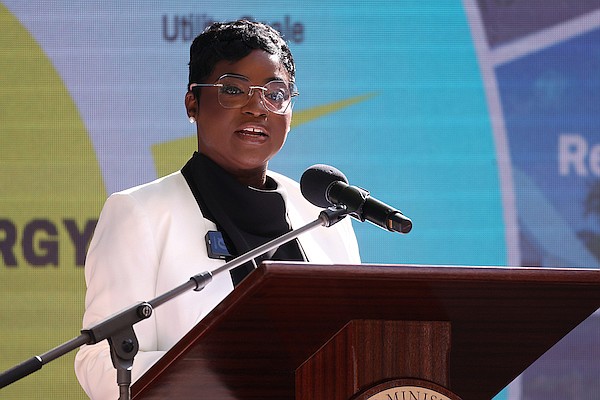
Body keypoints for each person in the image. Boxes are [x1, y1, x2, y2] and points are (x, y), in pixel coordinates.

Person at [74, 19, 360, 399]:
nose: (258, 108)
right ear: (193, 101)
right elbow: (101, 364)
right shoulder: (138, 213)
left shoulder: (323, 217)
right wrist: (229, 375)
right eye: (233, 90)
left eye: (276, 93)